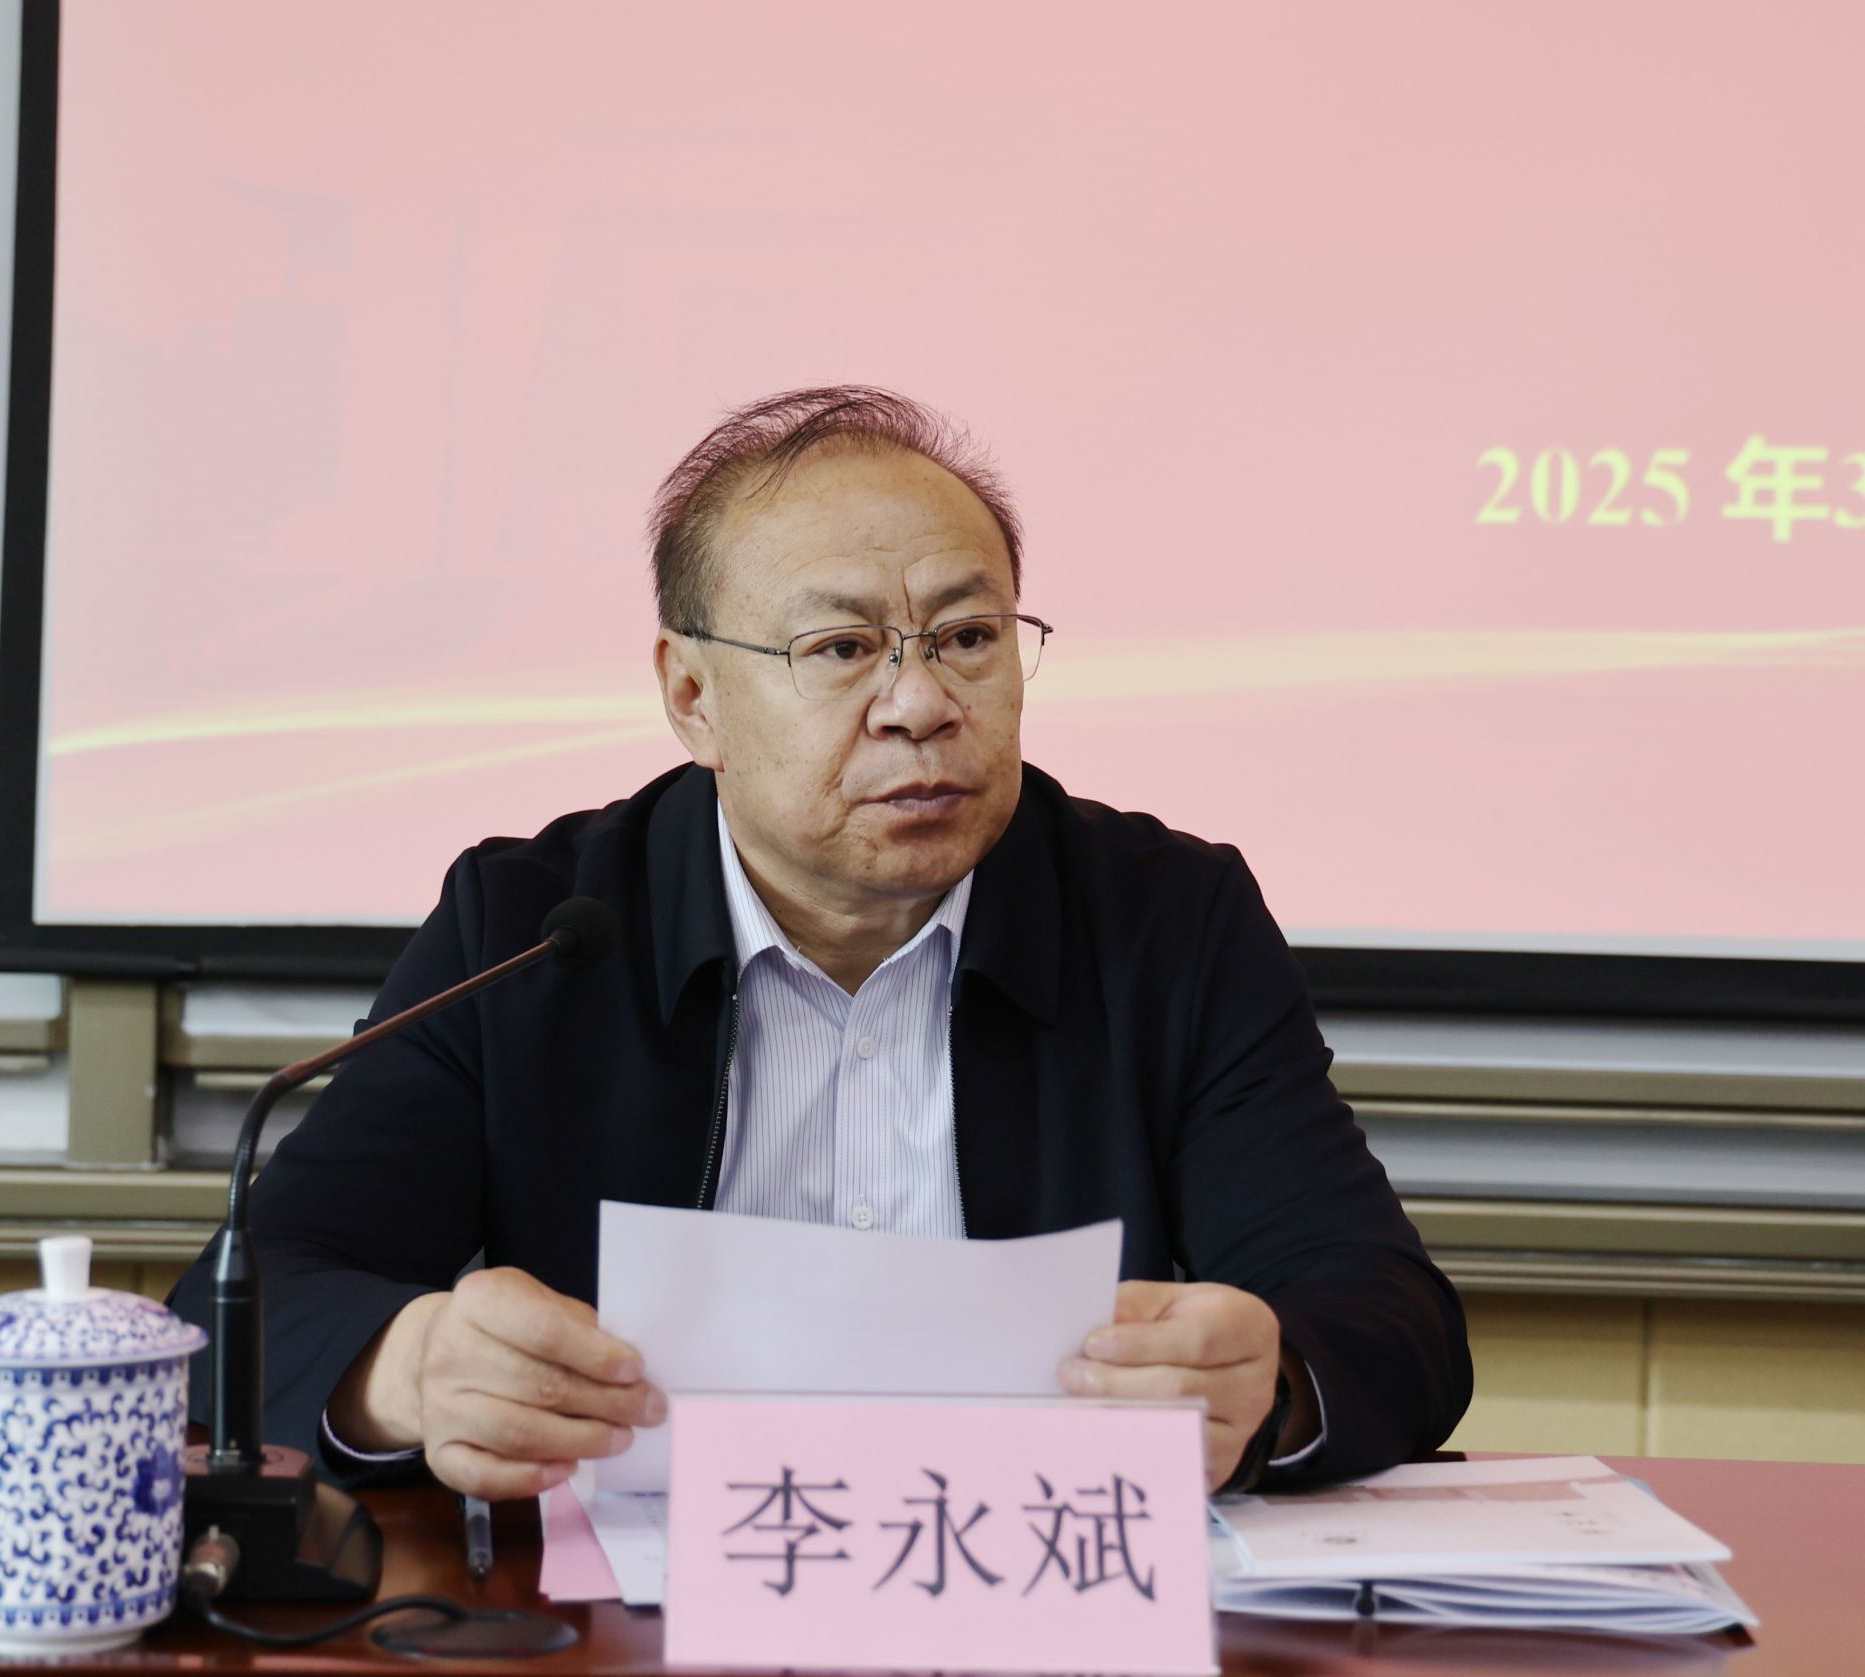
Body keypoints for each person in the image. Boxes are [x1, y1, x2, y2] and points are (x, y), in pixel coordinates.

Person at [171, 386, 1471, 1499]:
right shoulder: (531, 928)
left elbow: (1386, 1310)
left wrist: (1271, 1384)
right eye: (842, 647)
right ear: (692, 695)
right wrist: (405, 1370)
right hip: (625, 1624)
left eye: (968, 638)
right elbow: (246, 1299)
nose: (921, 703)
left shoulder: (1163, 920)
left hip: (1038, 1599)